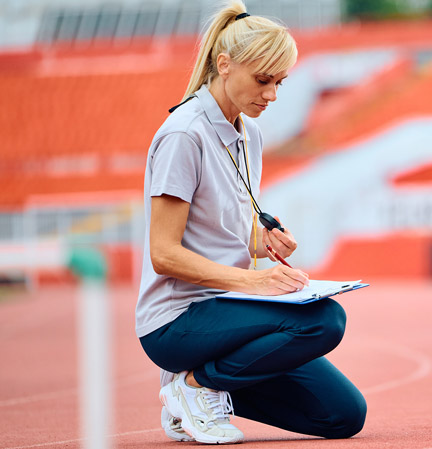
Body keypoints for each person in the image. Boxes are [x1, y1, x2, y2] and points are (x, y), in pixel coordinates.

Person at [136, 1, 366, 444]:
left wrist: (262, 243)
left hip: (225, 310)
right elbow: (164, 254)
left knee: (343, 416)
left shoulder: (249, 133)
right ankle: (192, 387)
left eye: (280, 83)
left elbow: (216, 230)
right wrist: (256, 284)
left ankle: (193, 392)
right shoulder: (184, 134)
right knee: (323, 321)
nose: (273, 95)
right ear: (224, 65)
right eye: (263, 80)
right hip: (176, 321)